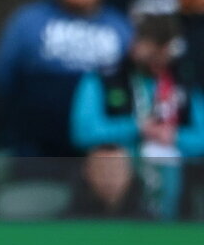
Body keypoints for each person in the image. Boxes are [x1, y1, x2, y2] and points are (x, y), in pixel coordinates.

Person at [0, 0, 133, 157]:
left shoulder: (121, 27)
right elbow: (0, 76)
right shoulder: (28, 20)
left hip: (101, 146)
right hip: (35, 145)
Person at [70, 14, 204, 218]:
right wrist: (136, 128)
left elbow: (201, 136)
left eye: (163, 58)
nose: (157, 65)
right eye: (151, 57)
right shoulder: (105, 78)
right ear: (136, 45)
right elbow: (83, 131)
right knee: (107, 159)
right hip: (117, 187)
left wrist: (174, 136)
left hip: (175, 182)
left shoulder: (181, 81)